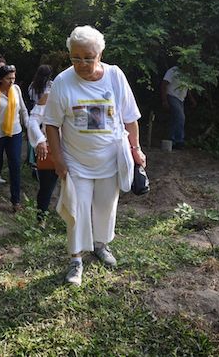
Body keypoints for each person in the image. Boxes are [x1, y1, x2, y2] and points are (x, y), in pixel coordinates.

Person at [44, 26, 146, 286]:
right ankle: (76, 260)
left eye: (88, 57)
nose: (82, 63)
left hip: (110, 159)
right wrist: (58, 159)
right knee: (77, 210)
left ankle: (101, 246)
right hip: (76, 161)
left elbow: (130, 118)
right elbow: (52, 125)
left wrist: (136, 150)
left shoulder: (114, 76)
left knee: (105, 208)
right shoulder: (63, 82)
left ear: (100, 54)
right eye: (76, 58)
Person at [0, 65, 29, 212]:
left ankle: (16, 201)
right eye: (9, 79)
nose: (12, 81)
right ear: (1, 79)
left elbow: (23, 110)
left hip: (14, 132)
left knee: (15, 164)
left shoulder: (16, 90)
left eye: (13, 78)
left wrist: (29, 127)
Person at [27, 91, 59, 228]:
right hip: (50, 147)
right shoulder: (51, 94)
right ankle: (41, 220)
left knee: (78, 188)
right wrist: (40, 140)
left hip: (75, 149)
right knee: (46, 187)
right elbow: (33, 120)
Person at [160, 65, 196, 150]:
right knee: (181, 117)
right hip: (172, 96)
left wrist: (191, 99)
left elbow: (187, 88)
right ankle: (179, 140)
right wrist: (164, 100)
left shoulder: (187, 74)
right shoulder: (173, 71)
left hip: (181, 99)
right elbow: (164, 84)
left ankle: (171, 140)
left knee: (175, 119)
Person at [27, 65, 54, 177]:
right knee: (45, 139)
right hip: (46, 112)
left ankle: (33, 161)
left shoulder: (32, 86)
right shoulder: (51, 85)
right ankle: (44, 162)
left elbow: (31, 98)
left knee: (34, 137)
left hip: (36, 111)